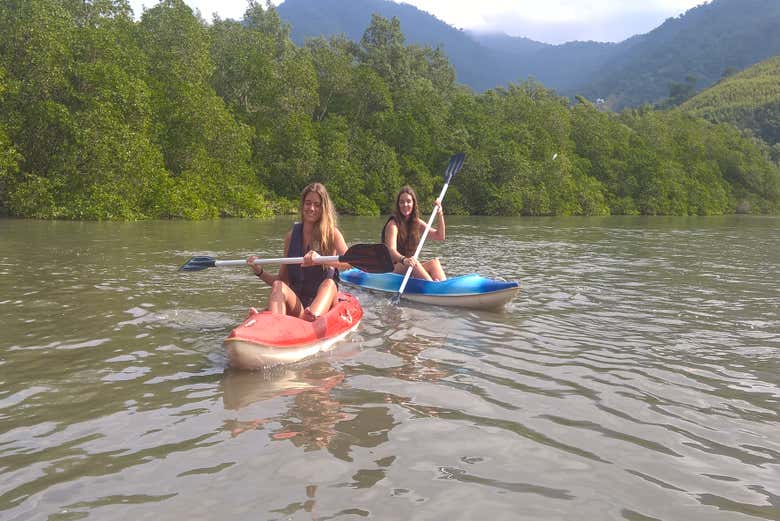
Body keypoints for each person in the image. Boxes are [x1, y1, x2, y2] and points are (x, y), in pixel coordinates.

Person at [247, 183, 349, 321]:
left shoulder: (332, 234)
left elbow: (350, 262)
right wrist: (259, 271)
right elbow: (282, 280)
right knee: (279, 286)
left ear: (323, 208)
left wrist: (322, 259)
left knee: (329, 284)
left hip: (322, 305)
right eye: (308, 203)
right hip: (299, 305)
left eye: (317, 204)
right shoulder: (291, 237)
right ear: (302, 206)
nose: (311, 208)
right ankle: (274, 324)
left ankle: (312, 317)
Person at [382, 186, 446, 281]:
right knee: (413, 263)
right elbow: (391, 251)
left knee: (434, 263)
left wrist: (440, 214)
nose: (405, 204)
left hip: (409, 264)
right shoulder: (393, 224)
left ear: (413, 203)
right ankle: (433, 287)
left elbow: (440, 236)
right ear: (398, 205)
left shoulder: (416, 223)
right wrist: (404, 260)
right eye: (402, 202)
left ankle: (444, 288)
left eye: (408, 201)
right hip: (392, 269)